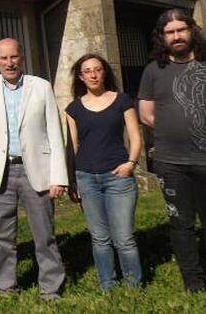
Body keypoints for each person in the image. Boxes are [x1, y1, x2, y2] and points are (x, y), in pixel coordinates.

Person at [138, 8, 206, 294]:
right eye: (170, 32)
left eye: (181, 30)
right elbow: (146, 114)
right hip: (170, 162)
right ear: (162, 37)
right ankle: (193, 282)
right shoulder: (153, 70)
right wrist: (174, 132)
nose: (176, 36)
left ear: (191, 31)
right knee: (180, 224)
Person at [0, 38, 67, 301]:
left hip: (37, 170)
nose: (9, 63)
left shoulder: (41, 87)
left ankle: (51, 288)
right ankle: (6, 287)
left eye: (14, 57)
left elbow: (55, 133)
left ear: (22, 58)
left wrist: (58, 177)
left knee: (44, 234)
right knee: (2, 236)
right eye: (4, 58)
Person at [65, 53, 143, 290]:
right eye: (87, 71)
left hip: (118, 177)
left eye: (97, 69)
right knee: (100, 238)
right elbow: (72, 146)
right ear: (81, 77)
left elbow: (136, 137)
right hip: (87, 178)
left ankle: (133, 286)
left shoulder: (122, 101)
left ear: (105, 72)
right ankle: (107, 285)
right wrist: (72, 180)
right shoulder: (73, 109)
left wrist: (131, 163)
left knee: (124, 238)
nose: (93, 75)